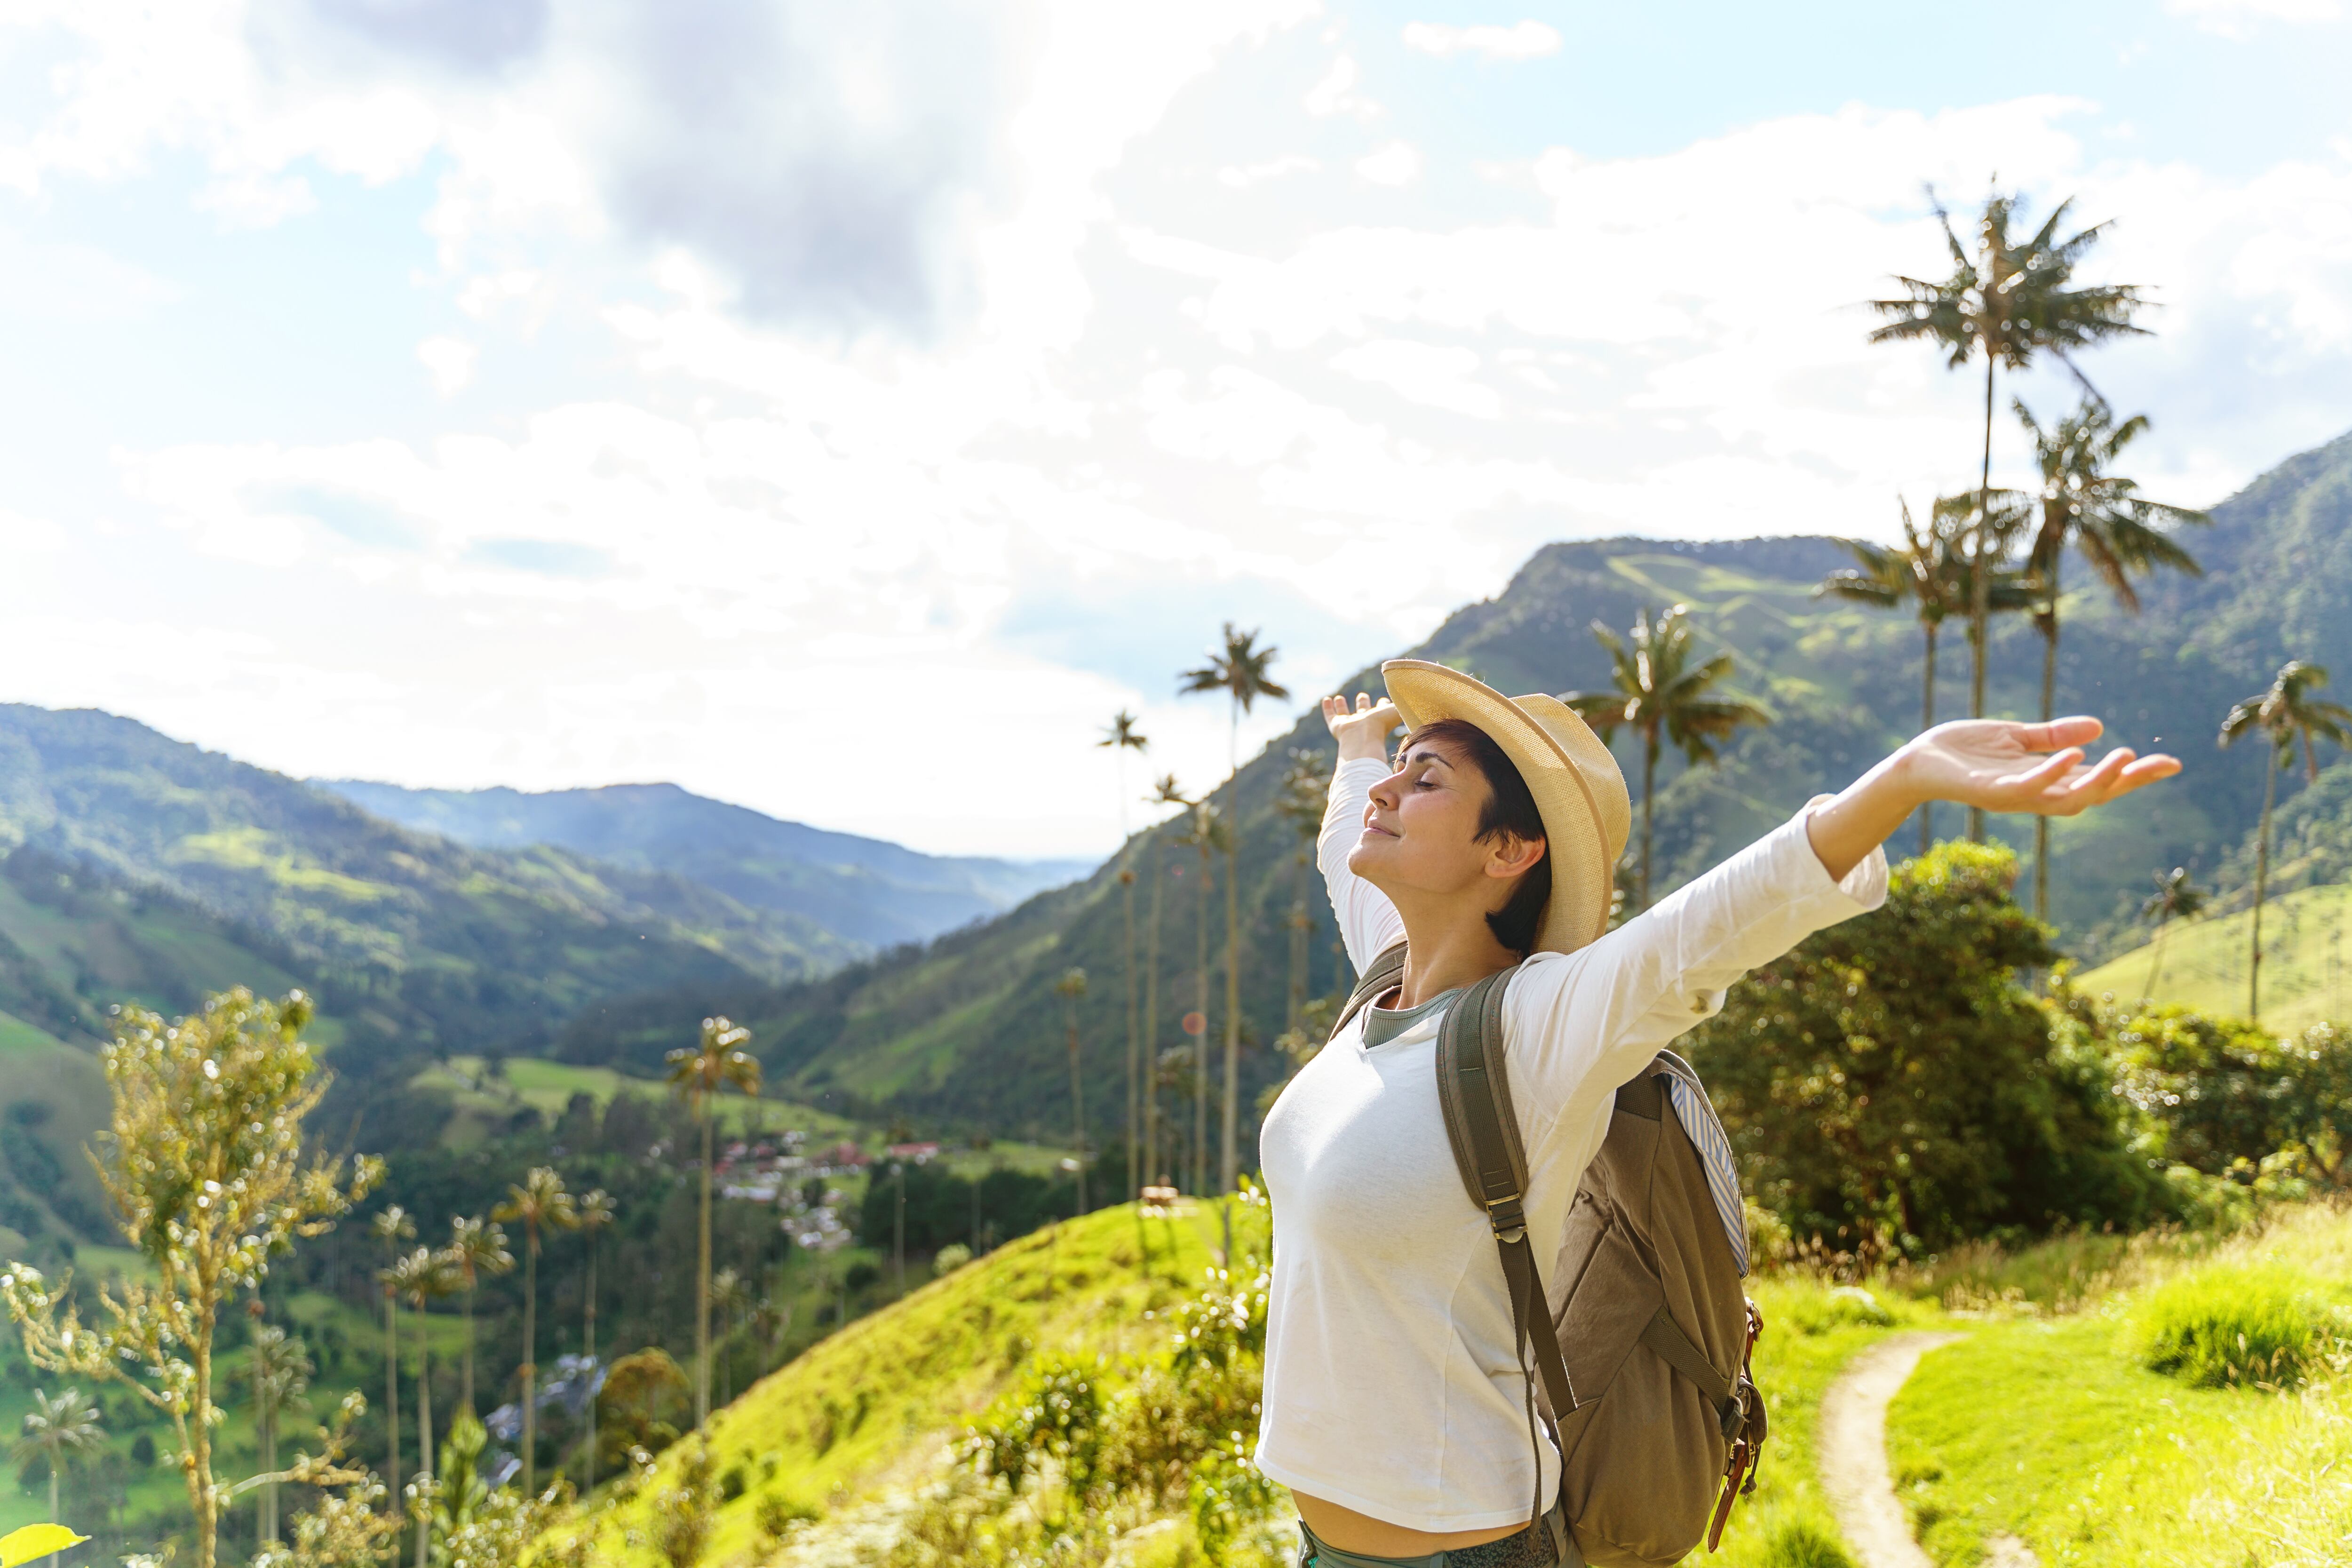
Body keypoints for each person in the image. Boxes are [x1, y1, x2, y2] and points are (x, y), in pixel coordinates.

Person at [1256, 659, 2178, 1568]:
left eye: (1426, 779)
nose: (1388, 790)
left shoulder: (1539, 1026)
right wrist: (1358, 748)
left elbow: (1710, 928)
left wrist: (1904, 777)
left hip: (1459, 1551)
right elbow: (1347, 839)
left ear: (1509, 850)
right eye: (1398, 768)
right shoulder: (1384, 982)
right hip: (1322, 1541)